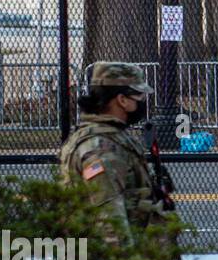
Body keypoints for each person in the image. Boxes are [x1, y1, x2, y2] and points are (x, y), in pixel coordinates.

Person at [58, 62, 172, 245]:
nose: (143, 102)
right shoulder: (102, 149)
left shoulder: (113, 138)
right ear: (122, 100)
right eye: (139, 96)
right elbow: (110, 225)